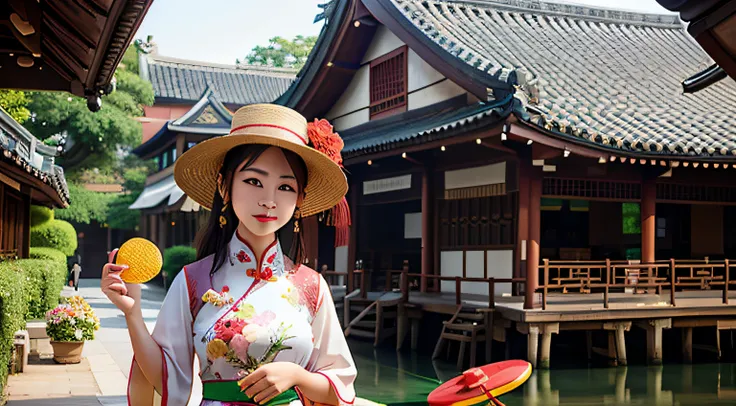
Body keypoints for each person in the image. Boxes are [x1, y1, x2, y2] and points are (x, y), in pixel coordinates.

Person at [101, 104, 357, 406]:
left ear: (299, 198)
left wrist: (297, 376)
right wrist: (133, 314)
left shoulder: (312, 287)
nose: (269, 200)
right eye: (253, 181)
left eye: (285, 186)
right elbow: (165, 379)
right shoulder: (193, 281)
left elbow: (340, 387)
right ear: (225, 185)